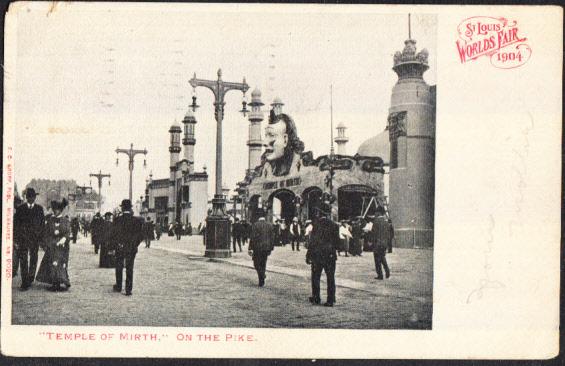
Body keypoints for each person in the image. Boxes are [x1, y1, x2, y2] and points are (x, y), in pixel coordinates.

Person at [306, 203, 340, 307]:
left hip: (318, 255)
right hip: (330, 255)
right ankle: (331, 299)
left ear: (320, 212)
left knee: (316, 276)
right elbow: (337, 243)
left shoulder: (316, 225)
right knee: (330, 277)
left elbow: (313, 242)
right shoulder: (334, 225)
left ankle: (316, 297)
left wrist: (308, 255)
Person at [36, 198, 71, 292]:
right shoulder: (50, 220)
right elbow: (46, 232)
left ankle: (60, 281)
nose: (55, 211)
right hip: (52, 245)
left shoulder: (65, 220)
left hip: (62, 247)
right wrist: (47, 242)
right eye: (54, 209)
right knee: (52, 263)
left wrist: (63, 240)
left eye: (57, 210)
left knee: (60, 263)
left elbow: (68, 232)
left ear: (60, 210)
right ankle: (54, 282)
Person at [14, 188, 45, 291]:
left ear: (35, 198)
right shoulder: (20, 209)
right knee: (23, 260)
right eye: (29, 197)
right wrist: (16, 240)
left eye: (33, 197)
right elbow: (16, 225)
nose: (31, 199)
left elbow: (42, 225)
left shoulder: (39, 209)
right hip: (23, 239)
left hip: (35, 239)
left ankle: (30, 277)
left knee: (33, 258)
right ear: (26, 198)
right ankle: (24, 282)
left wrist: (40, 238)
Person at [112, 199, 144, 296]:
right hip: (131, 247)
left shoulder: (117, 220)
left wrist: (117, 244)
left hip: (120, 247)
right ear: (130, 208)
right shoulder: (137, 220)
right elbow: (140, 235)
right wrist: (134, 244)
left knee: (119, 266)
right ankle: (128, 289)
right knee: (130, 267)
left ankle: (118, 286)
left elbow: (113, 235)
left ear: (122, 208)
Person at [248, 210, 274, 287]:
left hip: (257, 247)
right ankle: (261, 280)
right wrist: (271, 248)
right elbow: (272, 237)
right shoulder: (270, 225)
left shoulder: (255, 225)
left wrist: (250, 248)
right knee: (263, 263)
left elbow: (253, 237)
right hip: (266, 248)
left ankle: (262, 276)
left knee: (256, 263)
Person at [371, 207, 391, 280]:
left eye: (376, 212)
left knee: (377, 259)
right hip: (384, 243)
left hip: (377, 243)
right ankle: (387, 270)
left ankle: (380, 275)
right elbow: (388, 234)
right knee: (382, 257)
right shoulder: (386, 222)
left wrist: (371, 242)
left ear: (378, 212)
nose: (375, 213)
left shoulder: (376, 221)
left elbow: (374, 233)